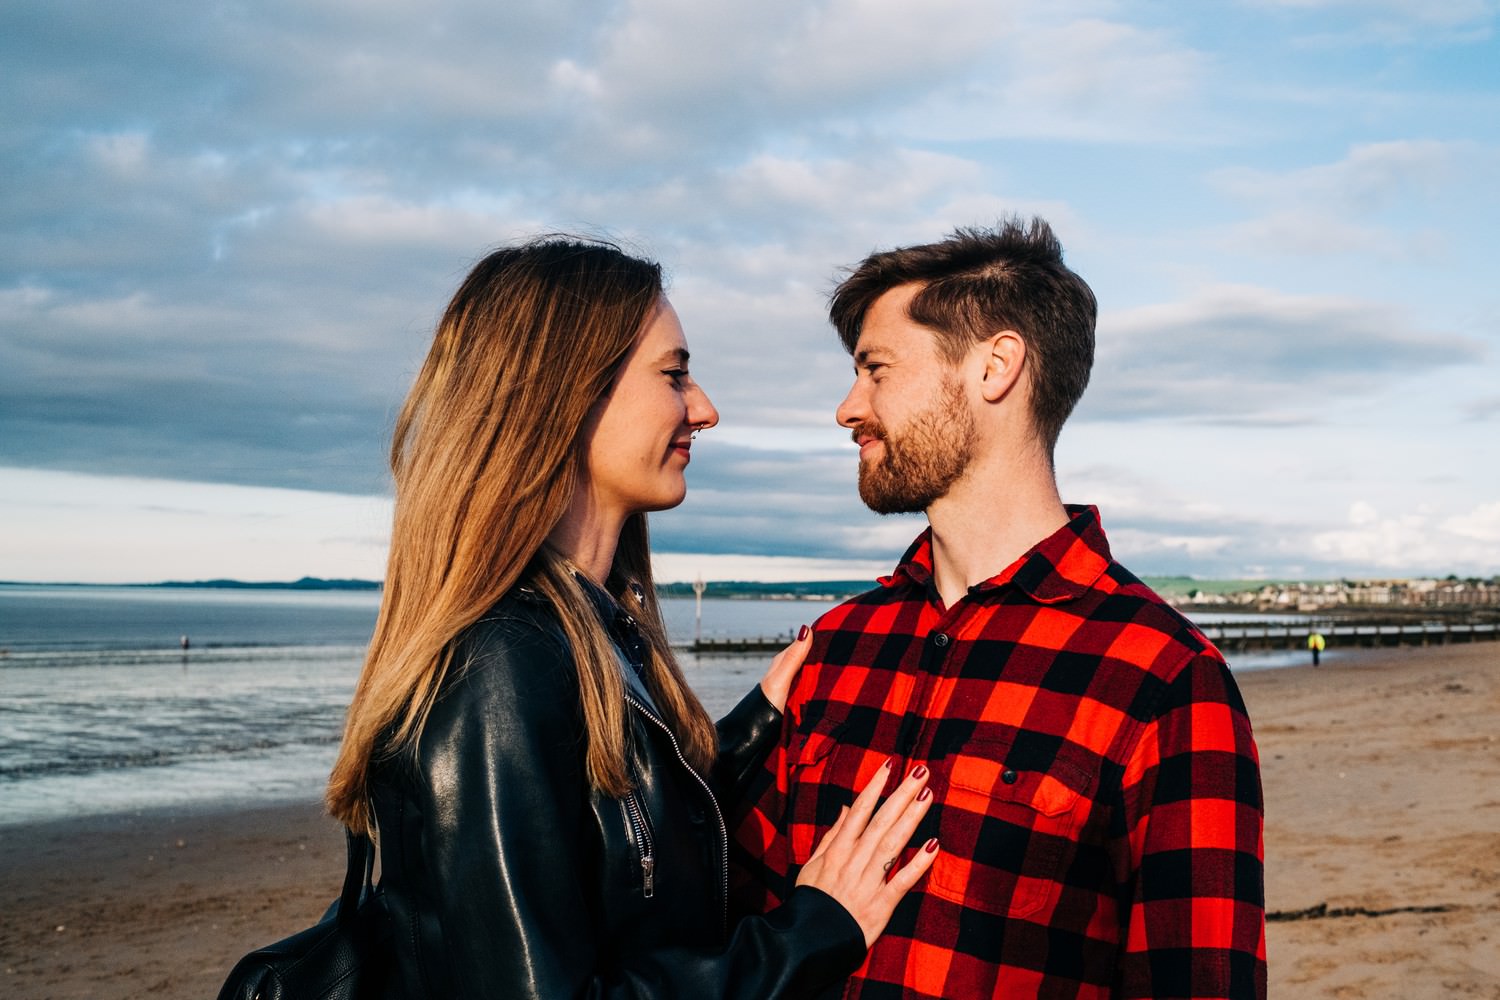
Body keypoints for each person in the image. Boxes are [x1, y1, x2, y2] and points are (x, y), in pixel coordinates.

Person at [324, 236, 939, 999]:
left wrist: (753, 730)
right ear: (565, 393)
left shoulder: (590, 629)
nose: (704, 409)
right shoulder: (500, 667)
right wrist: (812, 929)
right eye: (674, 375)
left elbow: (604, 834)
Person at [732, 219, 1266, 998]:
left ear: (996, 366)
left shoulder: (1163, 677)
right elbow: (735, 926)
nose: (848, 408)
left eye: (875, 369)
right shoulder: (836, 647)